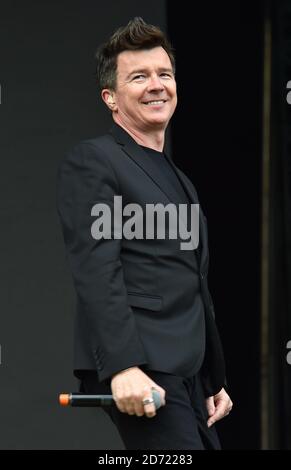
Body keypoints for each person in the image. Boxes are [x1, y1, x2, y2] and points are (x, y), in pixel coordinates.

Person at [57, 17, 232, 450]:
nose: (157, 85)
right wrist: (122, 367)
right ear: (111, 99)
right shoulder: (95, 160)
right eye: (139, 77)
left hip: (188, 378)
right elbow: (97, 268)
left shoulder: (181, 180)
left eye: (164, 74)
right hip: (143, 368)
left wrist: (213, 376)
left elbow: (192, 281)